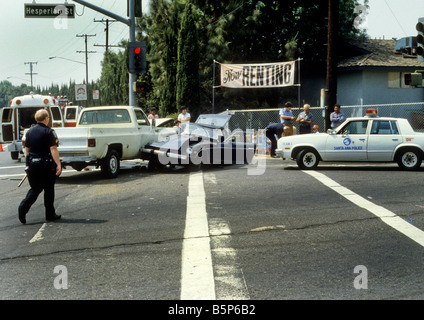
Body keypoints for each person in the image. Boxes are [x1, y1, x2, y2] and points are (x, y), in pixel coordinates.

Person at [18, 109, 62, 224]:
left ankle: (23, 207)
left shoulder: (29, 132)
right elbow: (53, 149)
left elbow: (27, 150)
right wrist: (58, 164)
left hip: (33, 164)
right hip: (46, 165)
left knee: (35, 189)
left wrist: (29, 164)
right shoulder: (49, 132)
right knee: (49, 190)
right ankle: (50, 214)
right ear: (46, 118)